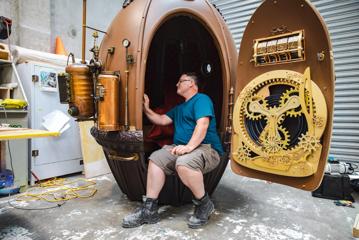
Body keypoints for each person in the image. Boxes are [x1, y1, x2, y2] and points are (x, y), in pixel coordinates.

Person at [122, 72, 223, 229]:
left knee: (184, 163)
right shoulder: (180, 108)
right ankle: (149, 210)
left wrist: (189, 147)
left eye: (180, 81)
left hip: (206, 149)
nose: (177, 84)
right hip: (183, 149)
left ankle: (204, 204)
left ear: (191, 84)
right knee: (156, 159)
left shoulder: (202, 99)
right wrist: (146, 108)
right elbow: (161, 120)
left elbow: (202, 124)